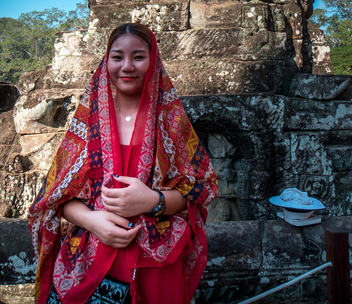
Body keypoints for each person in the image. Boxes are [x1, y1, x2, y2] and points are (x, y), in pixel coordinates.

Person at [29, 23, 218, 304]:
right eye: (117, 57)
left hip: (158, 268)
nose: (127, 66)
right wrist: (92, 220)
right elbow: (57, 196)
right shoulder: (87, 125)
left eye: (138, 56)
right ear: (106, 62)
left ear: (154, 62)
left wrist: (153, 200)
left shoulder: (172, 124)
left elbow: (202, 191)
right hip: (91, 258)